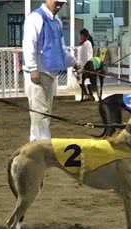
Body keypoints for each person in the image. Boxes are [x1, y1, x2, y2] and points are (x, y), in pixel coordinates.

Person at [23, 0, 78, 141]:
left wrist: (74, 63)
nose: (59, 6)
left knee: (45, 113)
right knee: (39, 114)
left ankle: (42, 145)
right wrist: (32, 68)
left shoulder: (57, 21)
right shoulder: (35, 18)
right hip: (38, 73)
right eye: (57, 2)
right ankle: (40, 145)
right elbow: (29, 44)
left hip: (50, 74)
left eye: (62, 4)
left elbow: (61, 49)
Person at [77, 28, 93, 101]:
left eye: (81, 35)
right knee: (84, 81)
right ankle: (89, 94)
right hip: (82, 64)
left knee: (83, 81)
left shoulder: (87, 43)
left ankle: (88, 95)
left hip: (86, 65)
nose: (80, 37)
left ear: (83, 35)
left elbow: (88, 56)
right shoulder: (83, 43)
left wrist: (85, 68)